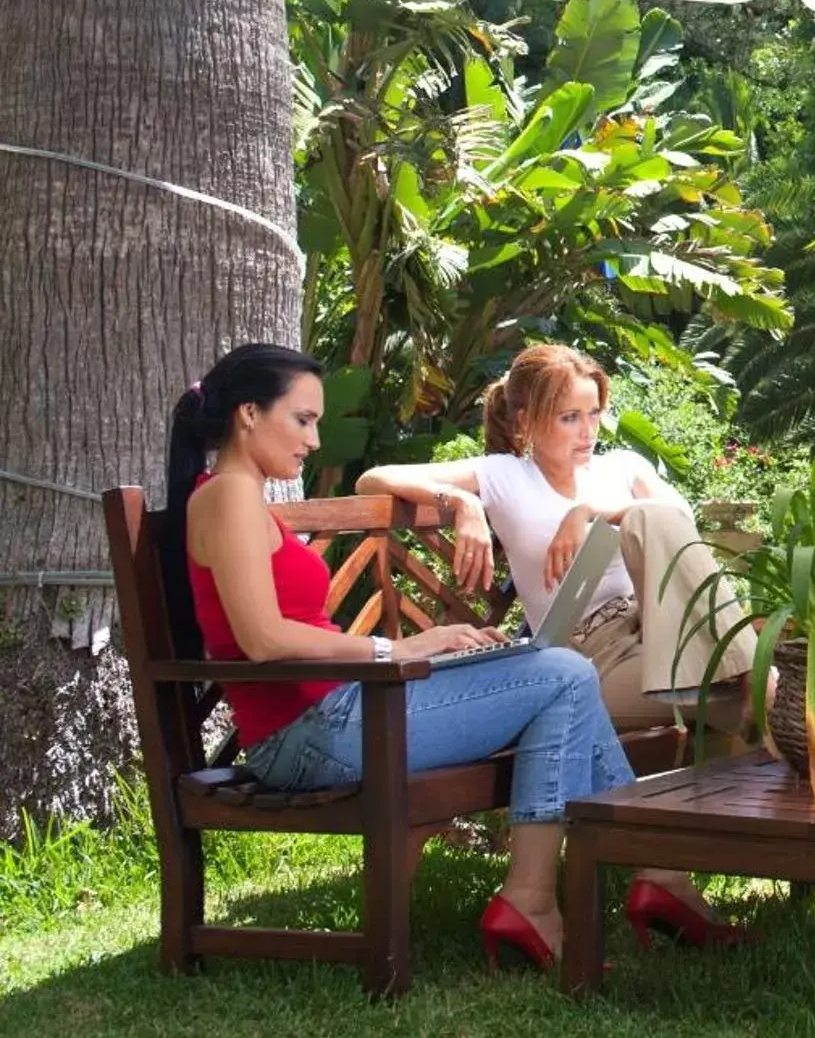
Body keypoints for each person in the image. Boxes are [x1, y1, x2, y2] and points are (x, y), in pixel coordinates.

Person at [173, 343, 744, 968]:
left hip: (343, 712)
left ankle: (550, 896)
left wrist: (439, 645)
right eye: (303, 420)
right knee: (565, 676)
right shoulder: (227, 495)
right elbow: (263, 639)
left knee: (563, 678)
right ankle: (619, 884)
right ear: (250, 414)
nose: (314, 440)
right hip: (315, 735)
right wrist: (398, 645)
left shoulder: (238, 497)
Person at [358, 343, 759, 742]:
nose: (588, 432)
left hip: (664, 632)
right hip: (589, 661)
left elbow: (679, 528)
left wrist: (588, 512)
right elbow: (372, 479)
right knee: (756, 691)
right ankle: (759, 679)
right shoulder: (504, 476)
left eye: (594, 414)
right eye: (570, 418)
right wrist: (461, 501)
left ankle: (756, 682)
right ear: (526, 420)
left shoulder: (623, 468)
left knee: (650, 517)